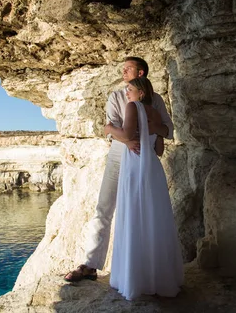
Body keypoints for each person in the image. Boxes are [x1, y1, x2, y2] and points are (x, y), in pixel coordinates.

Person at [64, 57, 173, 282]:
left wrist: (146, 131)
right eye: (122, 68)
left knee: (144, 212)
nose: (123, 72)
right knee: (104, 208)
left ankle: (144, 270)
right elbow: (114, 126)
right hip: (117, 156)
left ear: (140, 73)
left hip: (144, 158)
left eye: (128, 68)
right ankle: (90, 265)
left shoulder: (157, 100)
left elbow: (168, 129)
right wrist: (127, 139)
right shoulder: (116, 96)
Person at [104, 77, 183, 300]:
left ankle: (135, 279)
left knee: (134, 216)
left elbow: (128, 135)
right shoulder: (155, 113)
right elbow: (158, 148)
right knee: (154, 218)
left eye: (129, 89)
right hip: (153, 168)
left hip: (135, 168)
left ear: (140, 92)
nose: (126, 92)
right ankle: (158, 278)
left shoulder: (133, 106)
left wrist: (109, 128)